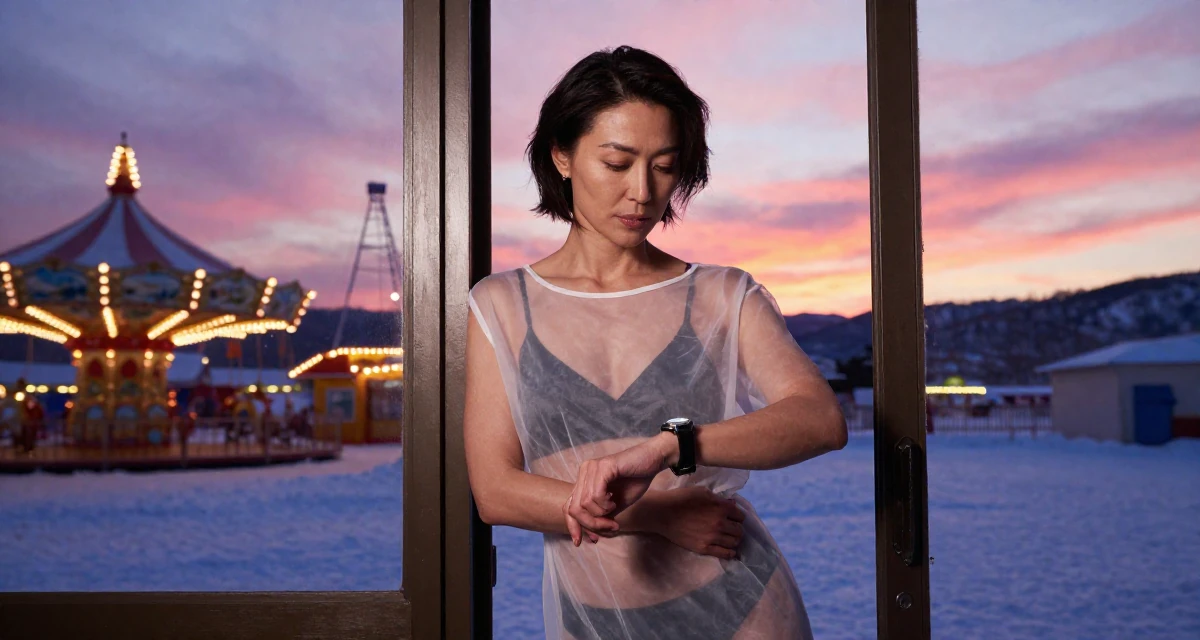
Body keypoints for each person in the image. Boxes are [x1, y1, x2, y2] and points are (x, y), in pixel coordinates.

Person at [464, 46, 847, 639]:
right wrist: (656, 514)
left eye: (664, 165)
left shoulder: (722, 295)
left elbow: (820, 420)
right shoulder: (501, 305)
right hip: (593, 618)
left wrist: (672, 447)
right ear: (561, 156)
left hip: (744, 609)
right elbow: (495, 491)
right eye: (616, 163)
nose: (642, 191)